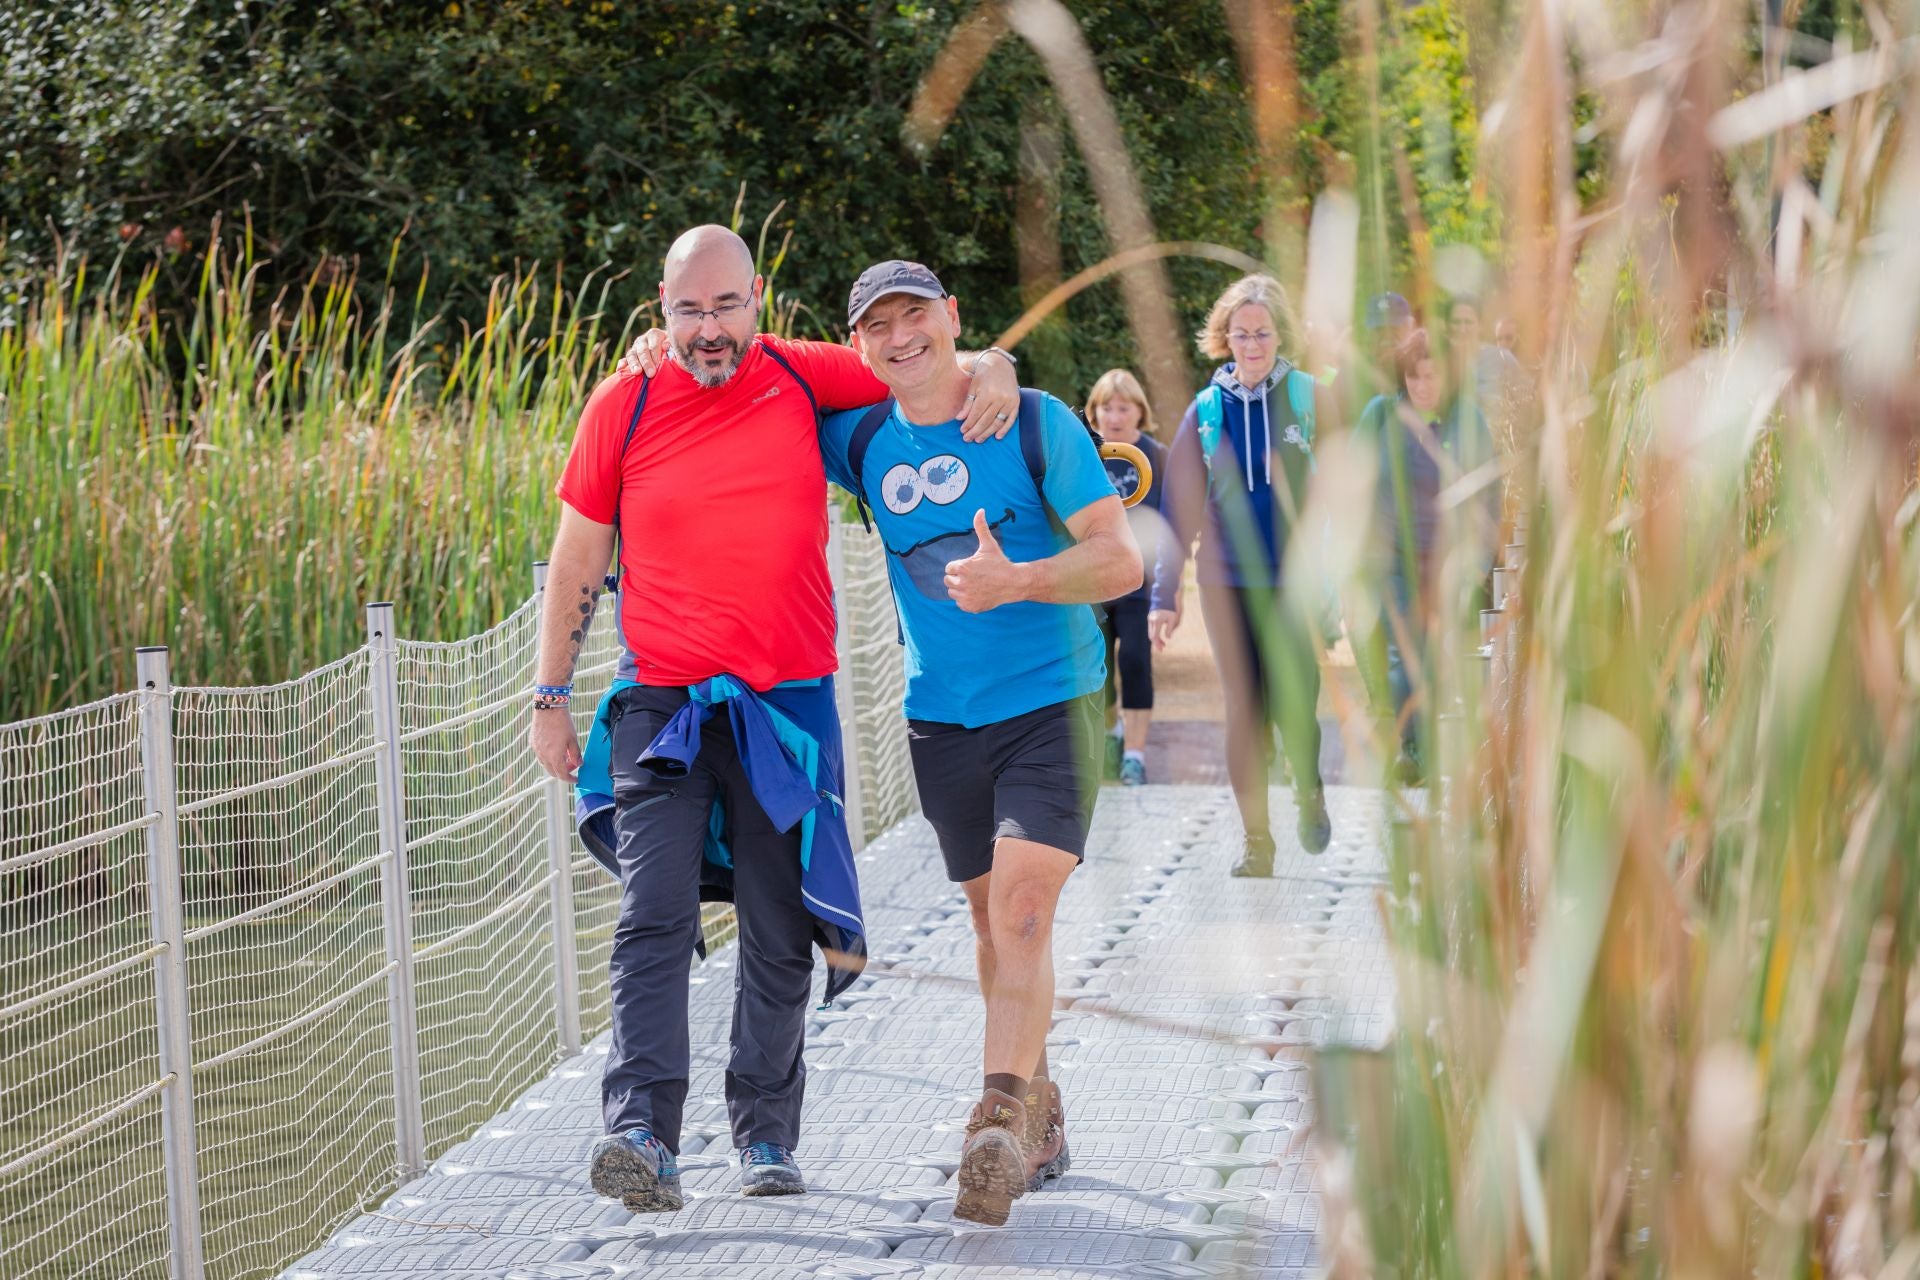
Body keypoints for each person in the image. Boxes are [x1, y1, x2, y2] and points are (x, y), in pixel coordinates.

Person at [527, 226, 1020, 1213]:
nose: (708, 331)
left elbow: (915, 365)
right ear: (658, 309)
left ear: (758, 297)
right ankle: (640, 1130)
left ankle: (762, 1131)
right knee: (651, 913)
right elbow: (579, 560)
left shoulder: (805, 376)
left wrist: (996, 363)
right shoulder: (619, 406)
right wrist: (548, 695)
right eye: (686, 311)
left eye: (725, 307)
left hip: (789, 704)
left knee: (778, 921)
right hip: (661, 701)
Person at [818, 260, 1141, 1227]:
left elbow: (1121, 560)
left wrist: (1022, 580)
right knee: (989, 928)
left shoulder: (1035, 418)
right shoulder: (861, 438)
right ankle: (1037, 1110)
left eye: (916, 315)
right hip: (941, 719)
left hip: (1055, 702)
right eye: (878, 325)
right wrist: (658, 352)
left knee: (1025, 912)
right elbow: (751, 394)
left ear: (951, 316)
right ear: (859, 346)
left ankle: (992, 1122)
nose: (900, 335)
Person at [1150, 273, 1336, 877]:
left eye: (1262, 333)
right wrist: (1164, 593)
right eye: (1241, 334)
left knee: (1294, 701)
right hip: (1227, 578)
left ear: (1280, 335)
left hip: (1295, 578)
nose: (1252, 345)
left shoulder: (1308, 399)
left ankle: (1307, 788)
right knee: (1243, 708)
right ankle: (1258, 842)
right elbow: (1177, 508)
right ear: (1223, 338)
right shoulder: (1207, 411)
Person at [1353, 327, 1498, 780]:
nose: (1422, 386)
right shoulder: (1380, 414)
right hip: (1393, 556)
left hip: (1448, 557)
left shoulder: (1468, 420)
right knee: (1404, 652)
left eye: (1432, 376)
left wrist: (1479, 558)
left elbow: (1488, 492)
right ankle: (1411, 749)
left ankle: (1431, 741)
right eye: (1414, 377)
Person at [1085, 369, 1170, 786]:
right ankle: (1110, 735)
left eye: (1124, 407)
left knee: (1135, 661)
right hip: (1093, 582)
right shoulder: (1085, 452)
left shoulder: (1157, 455)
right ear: (1093, 411)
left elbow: (1171, 521)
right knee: (1097, 665)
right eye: (1106, 407)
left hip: (1140, 583)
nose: (1115, 416)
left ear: (1140, 411)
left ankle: (1135, 754)